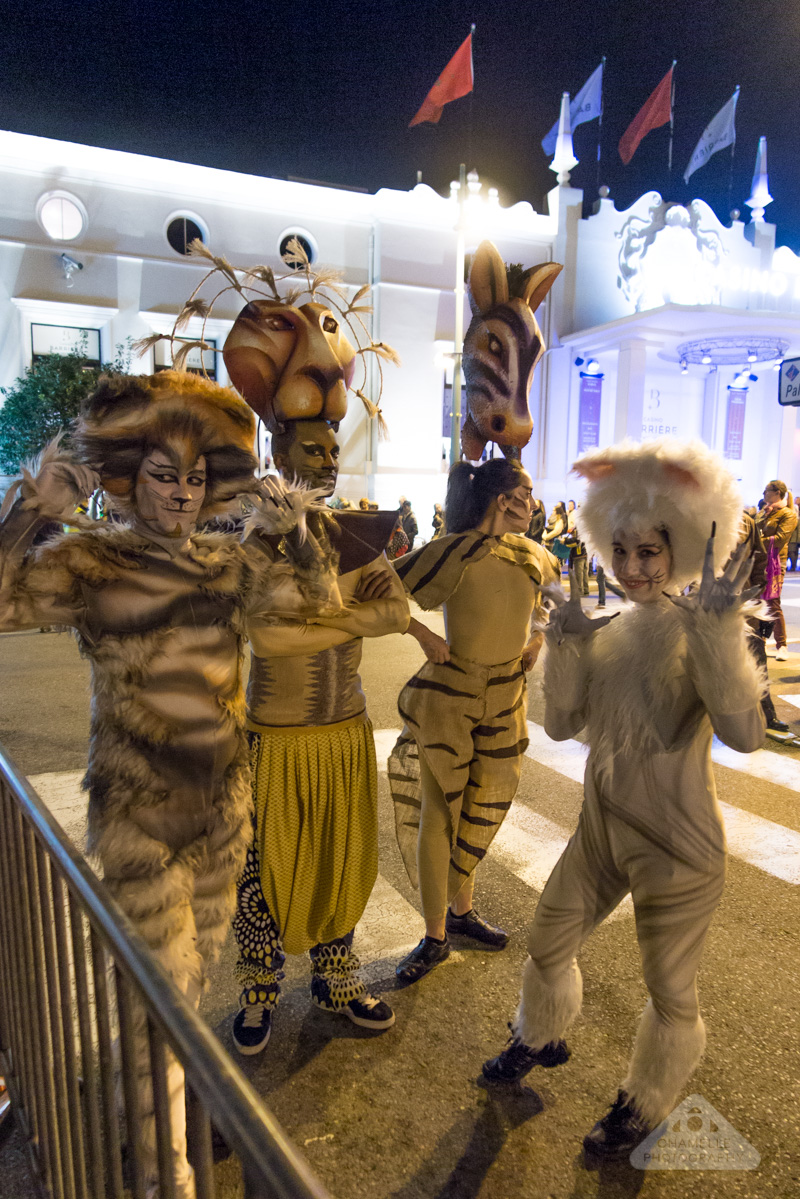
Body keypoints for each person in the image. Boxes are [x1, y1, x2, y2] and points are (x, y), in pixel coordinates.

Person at [0, 371, 337, 1198]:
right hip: (139, 821)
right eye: (163, 475)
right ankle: (165, 1175)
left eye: (195, 479)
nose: (183, 495)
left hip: (224, 816)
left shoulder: (228, 564)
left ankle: (167, 1121)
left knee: (185, 996)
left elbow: (319, 603)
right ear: (126, 480)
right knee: (157, 1008)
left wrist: (296, 525)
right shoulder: (88, 562)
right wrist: (31, 507)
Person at [482, 439, 765, 1162]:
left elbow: (745, 732)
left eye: (651, 551)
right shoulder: (613, 633)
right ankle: (538, 1034)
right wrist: (568, 644)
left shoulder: (699, 629)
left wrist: (720, 632)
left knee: (669, 988)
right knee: (547, 941)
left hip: (681, 850)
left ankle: (643, 1102)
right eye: (624, 550)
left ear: (682, 544)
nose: (635, 567)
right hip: (601, 833)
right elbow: (560, 724)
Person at [232, 417, 410, 1051]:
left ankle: (336, 975)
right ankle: (258, 986)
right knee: (260, 871)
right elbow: (265, 636)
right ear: (278, 453)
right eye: (314, 448)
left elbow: (399, 612)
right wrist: (355, 619)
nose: (330, 459)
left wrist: (313, 615)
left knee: (340, 861)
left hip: (345, 734)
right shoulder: (253, 543)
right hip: (273, 740)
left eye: (335, 448)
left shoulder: (357, 539)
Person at [388, 458, 560, 983]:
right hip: (452, 695)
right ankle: (435, 934)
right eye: (526, 493)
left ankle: (462, 915)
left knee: (481, 808)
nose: (533, 504)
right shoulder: (450, 550)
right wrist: (422, 635)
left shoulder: (535, 555)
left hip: (508, 696)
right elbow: (382, 591)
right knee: (441, 813)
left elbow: (552, 607)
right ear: (503, 499)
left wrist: (537, 638)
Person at [756, 479, 797, 660]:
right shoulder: (764, 512)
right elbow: (753, 530)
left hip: (775, 564)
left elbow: (780, 539)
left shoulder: (788, 514)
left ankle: (782, 645)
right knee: (756, 602)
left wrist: (755, 542)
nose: (764, 494)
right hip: (758, 561)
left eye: (766, 491)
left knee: (773, 604)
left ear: (777, 493)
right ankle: (759, 642)